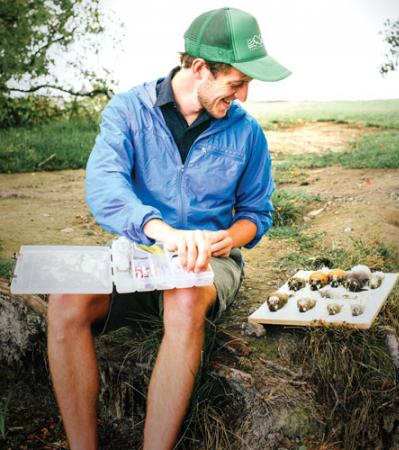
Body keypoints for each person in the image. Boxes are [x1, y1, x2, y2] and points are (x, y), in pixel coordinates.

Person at [46, 6, 291, 450]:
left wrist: (227, 238)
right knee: (65, 302)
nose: (244, 96)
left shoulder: (248, 133)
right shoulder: (126, 111)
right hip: (141, 252)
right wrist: (163, 232)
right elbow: (105, 188)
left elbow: (257, 213)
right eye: (236, 83)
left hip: (211, 265)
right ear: (199, 68)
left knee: (182, 299)